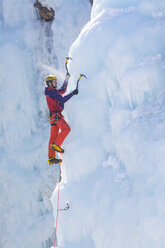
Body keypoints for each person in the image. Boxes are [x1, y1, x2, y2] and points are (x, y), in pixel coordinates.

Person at [45, 73, 78, 164]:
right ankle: (56, 145)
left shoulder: (52, 92)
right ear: (50, 83)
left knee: (53, 136)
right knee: (66, 129)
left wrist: (66, 79)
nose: (56, 83)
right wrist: (72, 93)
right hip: (56, 116)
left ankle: (51, 157)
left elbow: (62, 91)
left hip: (53, 118)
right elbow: (62, 99)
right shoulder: (52, 93)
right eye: (54, 82)